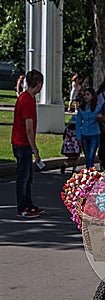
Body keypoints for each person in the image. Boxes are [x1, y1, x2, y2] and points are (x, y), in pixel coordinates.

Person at [11, 69, 45, 218]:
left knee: (28, 175)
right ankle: (22, 207)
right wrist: (35, 149)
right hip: (22, 143)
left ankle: (28, 203)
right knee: (23, 177)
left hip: (22, 143)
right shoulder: (26, 101)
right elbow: (29, 129)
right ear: (39, 84)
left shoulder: (28, 98)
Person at [76, 87, 101, 169]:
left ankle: (90, 172)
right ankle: (89, 173)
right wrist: (78, 137)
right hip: (84, 134)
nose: (86, 97)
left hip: (95, 133)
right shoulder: (81, 109)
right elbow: (78, 123)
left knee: (91, 155)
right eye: (84, 95)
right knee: (87, 156)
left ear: (93, 96)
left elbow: (101, 119)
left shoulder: (98, 108)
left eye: (88, 94)